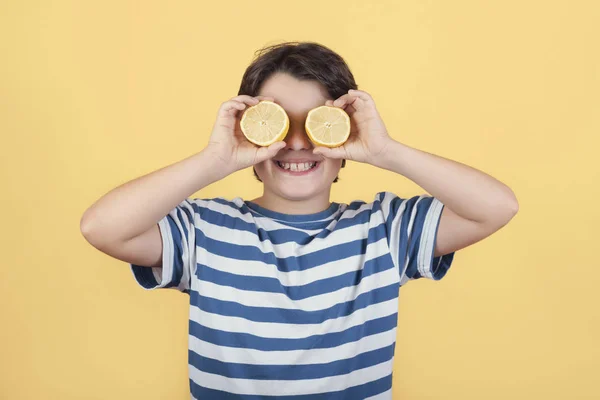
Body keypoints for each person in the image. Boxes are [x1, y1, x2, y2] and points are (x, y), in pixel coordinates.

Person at [80, 41, 518, 399]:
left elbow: (497, 206)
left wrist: (387, 151)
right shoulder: (202, 231)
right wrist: (215, 159)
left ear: (345, 131)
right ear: (248, 129)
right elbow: (101, 227)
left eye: (317, 122)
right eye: (274, 123)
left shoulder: (385, 231)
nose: (294, 142)